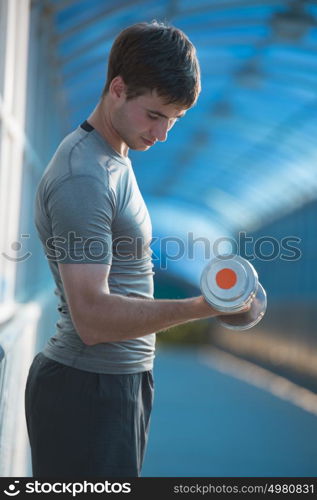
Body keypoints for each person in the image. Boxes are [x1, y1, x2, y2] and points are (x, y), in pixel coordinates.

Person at [24, 20, 246, 478]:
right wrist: (205, 306)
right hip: (88, 388)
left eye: (174, 120)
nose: (163, 134)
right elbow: (92, 317)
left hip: (114, 381)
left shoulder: (114, 158)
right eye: (155, 115)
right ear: (118, 89)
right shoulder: (84, 177)